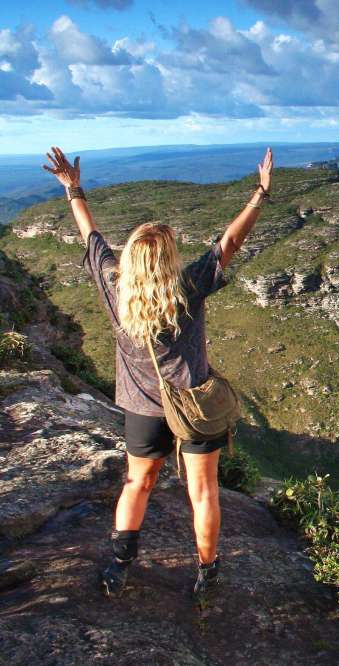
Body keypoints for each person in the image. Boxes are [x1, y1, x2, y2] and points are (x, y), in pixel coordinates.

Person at [42, 145, 274, 598]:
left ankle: (120, 565)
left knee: (137, 482)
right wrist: (260, 194)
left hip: (142, 409)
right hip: (193, 406)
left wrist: (74, 190)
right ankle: (207, 573)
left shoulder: (115, 289)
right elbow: (228, 244)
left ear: (131, 262)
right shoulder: (187, 287)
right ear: (167, 261)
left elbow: (92, 238)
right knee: (203, 493)